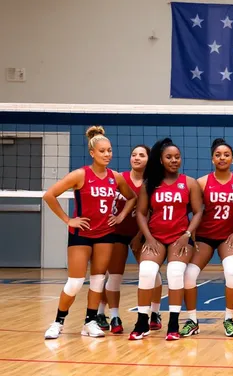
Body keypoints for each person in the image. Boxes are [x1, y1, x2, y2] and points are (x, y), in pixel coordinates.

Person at [43, 126, 137, 339]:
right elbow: (50, 195)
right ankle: (58, 322)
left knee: (97, 280)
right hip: (82, 234)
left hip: (105, 234)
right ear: (92, 153)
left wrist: (120, 217)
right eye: (102, 151)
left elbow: (132, 197)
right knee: (75, 282)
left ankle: (90, 322)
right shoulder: (80, 175)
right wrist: (69, 219)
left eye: (110, 150)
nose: (107, 154)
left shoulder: (115, 177)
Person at [128, 138, 203, 341]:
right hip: (156, 237)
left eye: (177, 157)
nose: (173, 160)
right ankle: (142, 322)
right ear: (161, 160)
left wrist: (187, 234)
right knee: (147, 272)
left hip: (180, 237)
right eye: (169, 157)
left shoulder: (189, 183)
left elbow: (198, 212)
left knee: (175, 272)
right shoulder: (150, 184)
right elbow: (141, 213)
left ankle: (173, 324)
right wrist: (149, 238)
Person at [180, 138, 233, 338]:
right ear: (212, 159)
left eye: (226, 154)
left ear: (232, 159)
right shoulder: (201, 183)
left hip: (228, 237)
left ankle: (229, 319)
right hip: (204, 238)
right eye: (218, 155)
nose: (222, 158)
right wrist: (190, 235)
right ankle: (192, 320)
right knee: (188, 276)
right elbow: (188, 210)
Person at [96, 145, 164, 334]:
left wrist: (139, 236)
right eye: (133, 154)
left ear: (148, 160)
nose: (136, 158)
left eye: (141, 155)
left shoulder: (152, 183)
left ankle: (155, 313)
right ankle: (111, 315)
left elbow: (151, 212)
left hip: (140, 234)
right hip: (116, 232)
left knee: (152, 274)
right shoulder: (119, 178)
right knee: (114, 276)